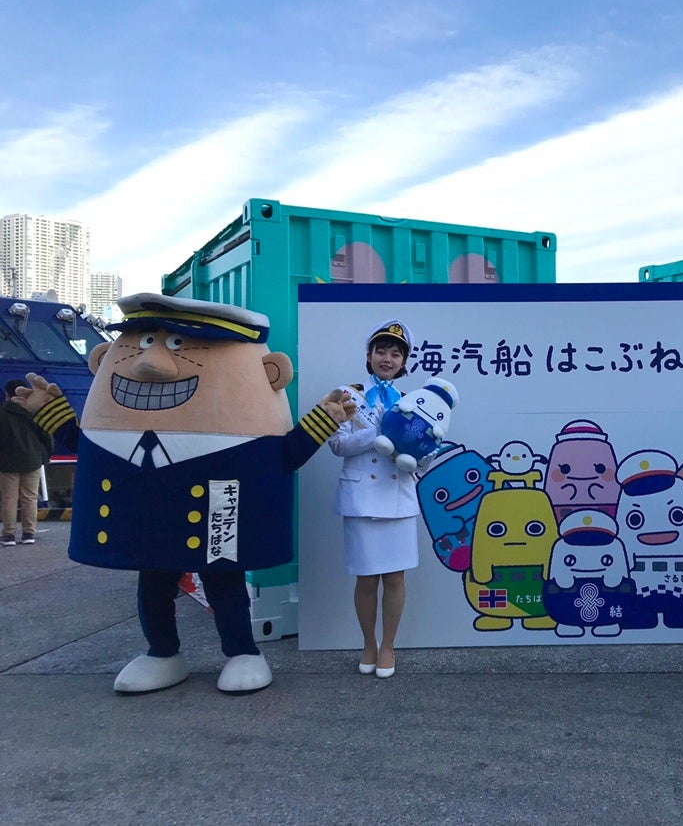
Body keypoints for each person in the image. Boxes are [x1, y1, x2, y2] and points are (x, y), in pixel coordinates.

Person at [15, 294, 356, 694]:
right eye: (144, 343)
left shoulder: (247, 442)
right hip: (152, 527)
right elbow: (84, 447)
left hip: (215, 519)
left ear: (272, 373)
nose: (150, 363)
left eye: (178, 345)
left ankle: (242, 652)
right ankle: (162, 653)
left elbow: (286, 455)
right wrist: (52, 412)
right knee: (153, 586)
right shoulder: (113, 439)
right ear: (103, 357)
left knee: (224, 586)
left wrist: (322, 420)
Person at [328, 319, 423, 678]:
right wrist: (376, 433)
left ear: (404, 362)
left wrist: (423, 453)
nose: (387, 359)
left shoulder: (413, 403)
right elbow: (337, 445)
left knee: (395, 578)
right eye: (381, 351)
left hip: (397, 497)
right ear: (368, 356)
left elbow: (421, 456)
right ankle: (368, 643)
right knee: (366, 579)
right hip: (362, 498)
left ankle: (388, 647)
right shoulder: (346, 395)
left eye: (395, 354)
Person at [0, 378, 52, 545]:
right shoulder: (34, 412)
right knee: (30, 498)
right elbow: (46, 435)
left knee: (9, 499)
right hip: (32, 460)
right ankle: (28, 533)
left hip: (7, 462)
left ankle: (9, 535)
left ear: (7, 395)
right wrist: (46, 454)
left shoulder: (2, 414)